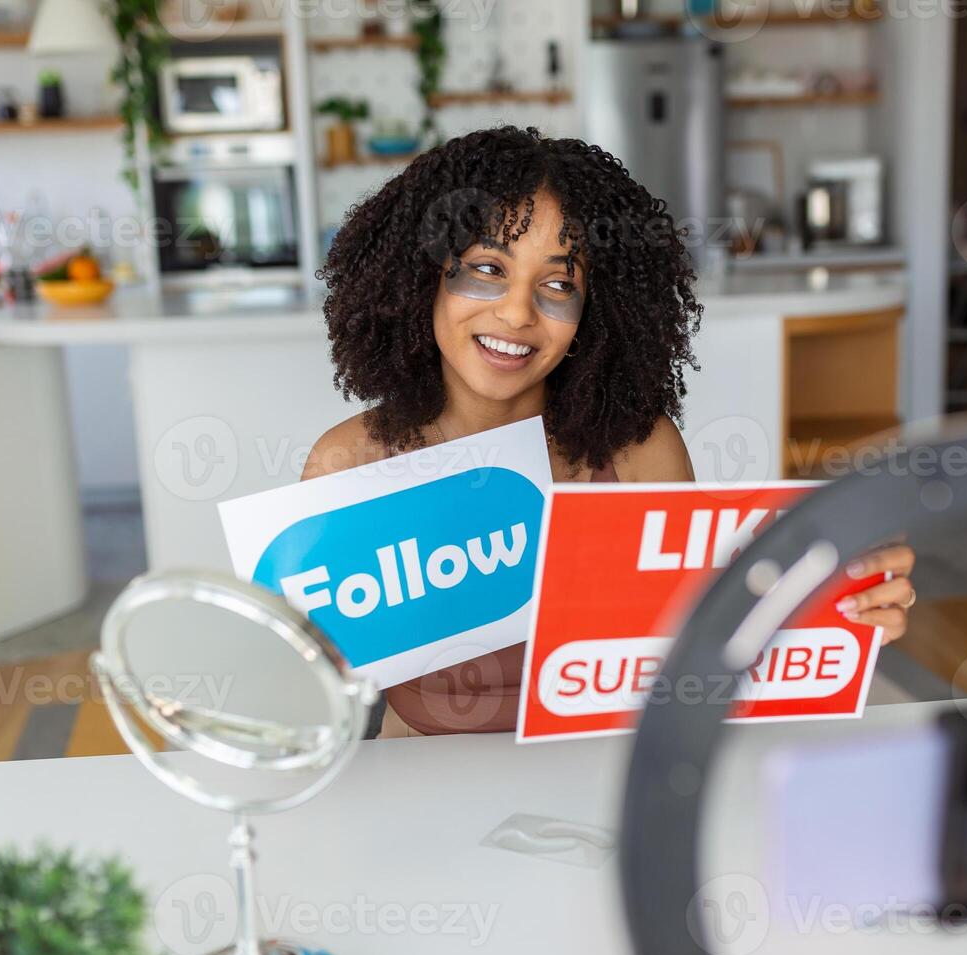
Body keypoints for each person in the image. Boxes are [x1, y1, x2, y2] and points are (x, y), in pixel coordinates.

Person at [303, 126, 916, 737]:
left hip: (595, 790)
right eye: (487, 268)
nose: (517, 313)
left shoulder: (640, 453)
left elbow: (700, 643)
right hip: (420, 802)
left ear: (594, 309)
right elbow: (329, 701)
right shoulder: (348, 464)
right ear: (424, 277)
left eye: (558, 284)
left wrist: (837, 604)